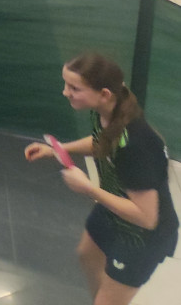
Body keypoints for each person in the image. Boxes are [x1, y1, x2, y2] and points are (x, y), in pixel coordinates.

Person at [23, 53, 177, 303]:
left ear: (104, 93)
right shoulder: (107, 112)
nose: (65, 92)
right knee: (87, 254)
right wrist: (58, 150)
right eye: (66, 84)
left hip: (141, 236)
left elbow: (147, 218)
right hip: (115, 205)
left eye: (74, 88)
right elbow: (102, 141)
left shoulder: (136, 145)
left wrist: (88, 189)